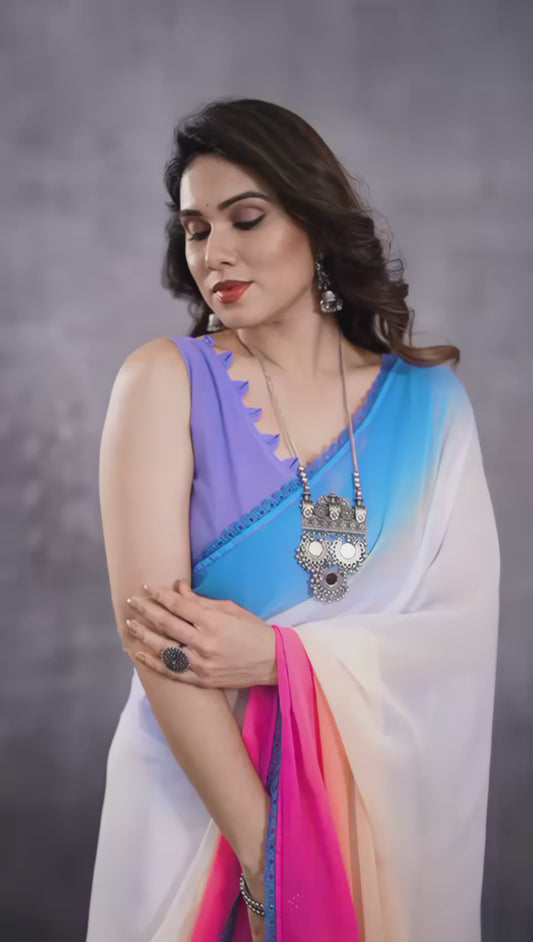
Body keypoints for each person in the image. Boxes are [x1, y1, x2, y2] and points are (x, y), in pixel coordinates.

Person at [86, 98, 500, 942]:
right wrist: (267, 856)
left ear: (313, 223)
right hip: (198, 810)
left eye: (246, 218)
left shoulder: (431, 409)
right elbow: (158, 642)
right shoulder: (163, 382)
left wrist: (279, 656)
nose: (215, 252)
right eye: (196, 229)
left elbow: (454, 642)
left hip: (370, 817)